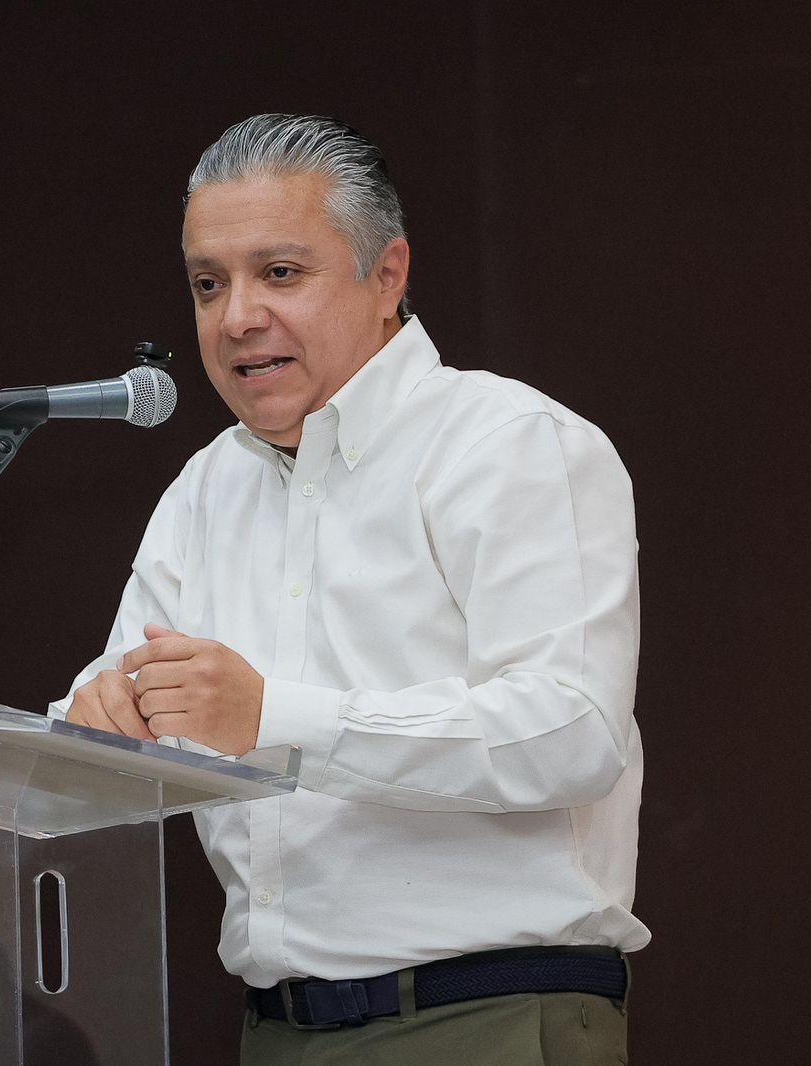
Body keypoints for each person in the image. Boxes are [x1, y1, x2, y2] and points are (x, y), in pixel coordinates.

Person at [48, 114, 647, 1065]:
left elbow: (573, 733)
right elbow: (123, 721)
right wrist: (99, 721)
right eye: (209, 284)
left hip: (486, 1018)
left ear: (388, 275)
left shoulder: (510, 445)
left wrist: (274, 718)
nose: (236, 317)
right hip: (276, 1031)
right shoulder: (206, 489)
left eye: (279, 273)